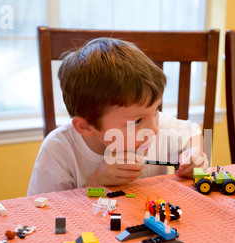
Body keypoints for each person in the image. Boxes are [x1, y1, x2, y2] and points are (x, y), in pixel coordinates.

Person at [27, 37, 208, 196]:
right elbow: (45, 216)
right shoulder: (59, 150)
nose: (153, 129)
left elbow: (191, 131)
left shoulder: (154, 126)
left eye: (155, 110)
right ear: (86, 126)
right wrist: (96, 183)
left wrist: (194, 154)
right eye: (136, 121)